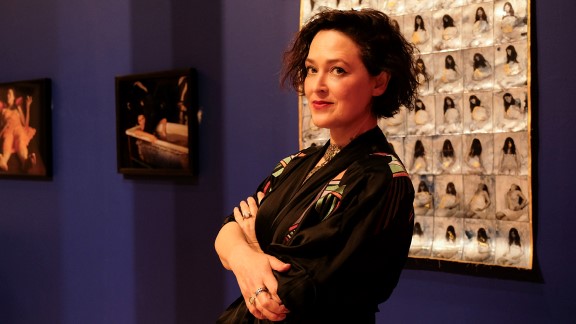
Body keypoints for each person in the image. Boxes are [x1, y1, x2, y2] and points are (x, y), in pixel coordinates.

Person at [215, 9, 418, 323]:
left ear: (378, 82)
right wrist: (246, 257)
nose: (317, 86)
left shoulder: (382, 179)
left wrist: (250, 244)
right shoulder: (296, 163)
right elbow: (225, 233)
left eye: (337, 70)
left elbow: (284, 296)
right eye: (311, 69)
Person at [0, 88, 37, 172]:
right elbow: (1, 124)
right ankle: (3, 162)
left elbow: (25, 124)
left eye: (10, 94)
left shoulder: (18, 108)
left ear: (14, 97)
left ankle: (25, 162)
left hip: (18, 128)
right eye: (7, 94)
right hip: (8, 130)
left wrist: (28, 107)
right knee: (7, 142)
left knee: (20, 141)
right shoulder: (3, 110)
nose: (7, 95)